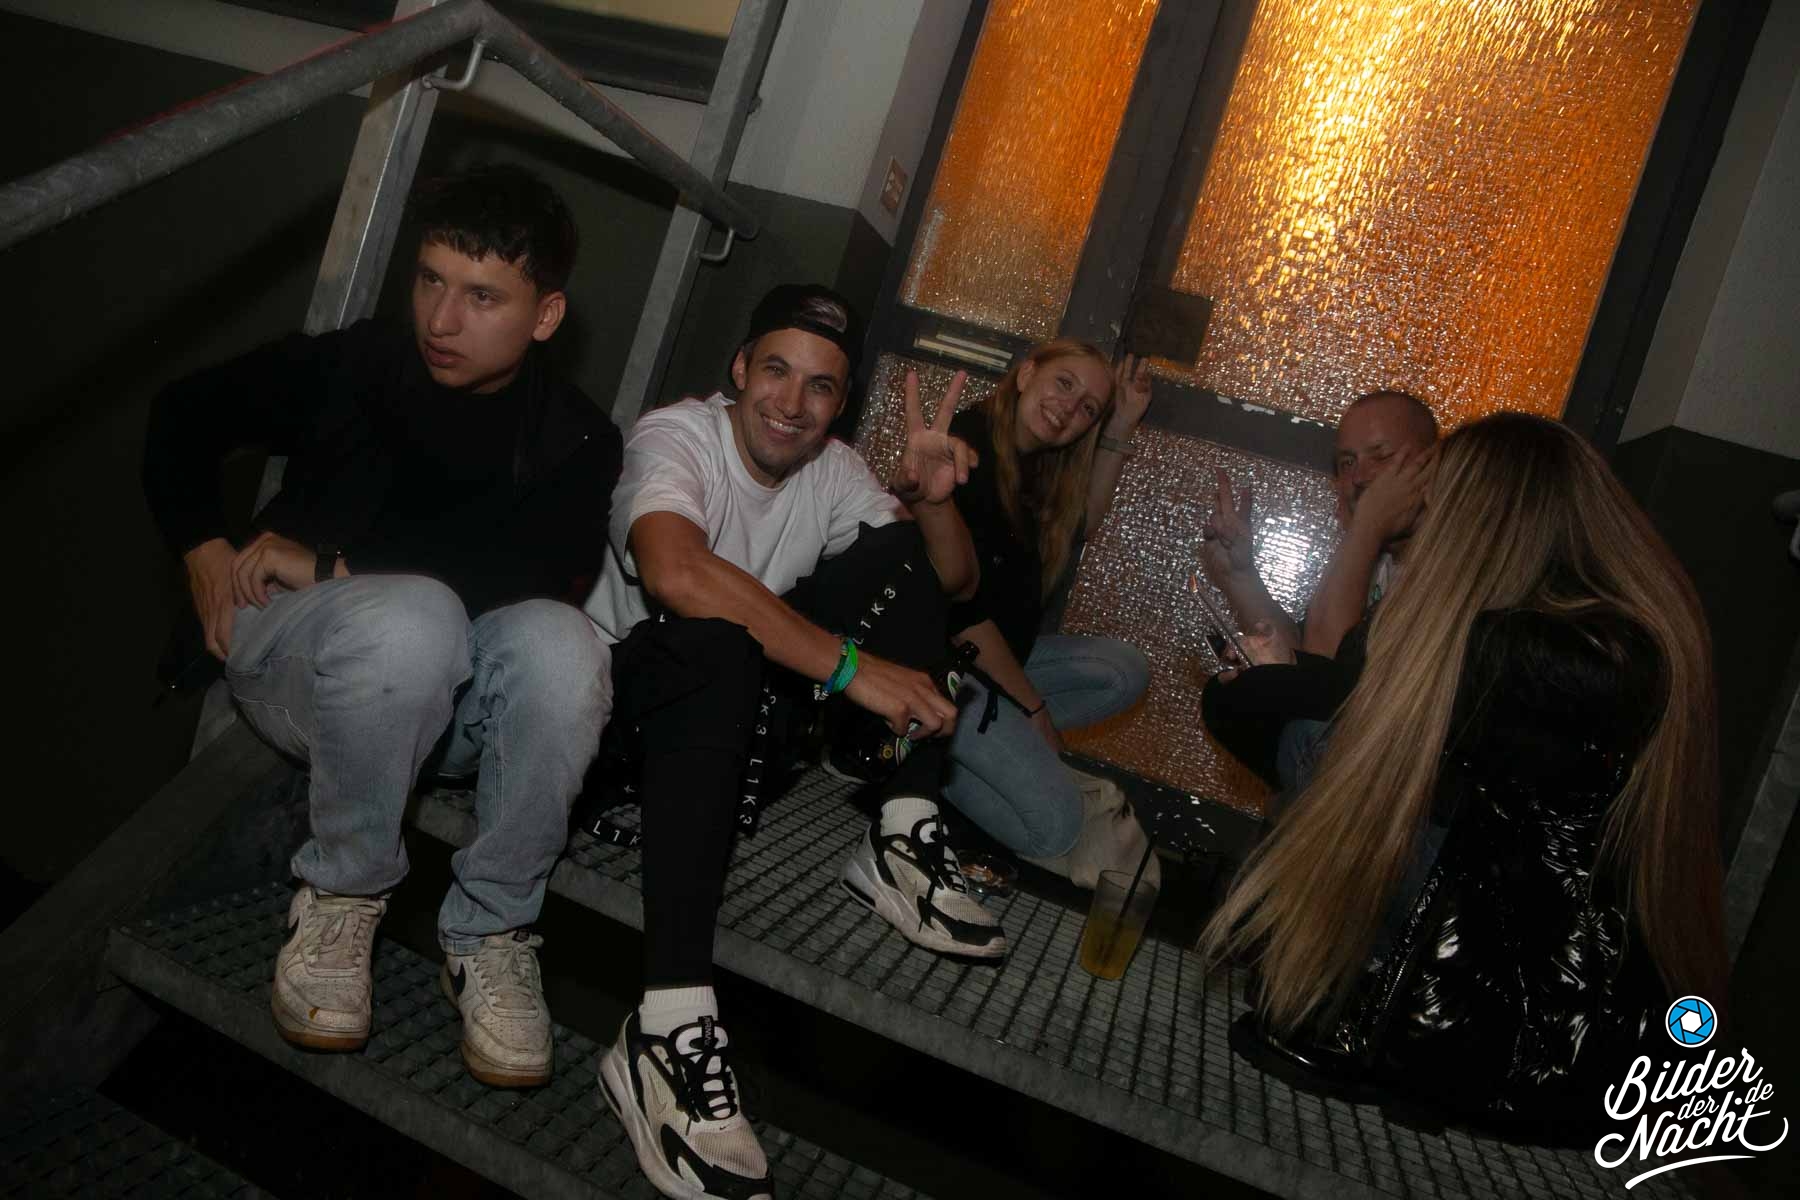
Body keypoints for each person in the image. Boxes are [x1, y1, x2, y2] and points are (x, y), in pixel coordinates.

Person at [142, 166, 621, 1089]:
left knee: (565, 644)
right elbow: (182, 412)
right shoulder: (360, 364)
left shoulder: (578, 438)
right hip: (300, 656)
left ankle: (492, 933)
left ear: (546, 316)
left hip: (443, 697)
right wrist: (202, 546)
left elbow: (529, 581)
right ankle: (342, 892)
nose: (441, 318)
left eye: (482, 296)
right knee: (414, 617)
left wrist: (329, 565)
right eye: (430, 279)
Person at [1198, 413, 1728, 1140]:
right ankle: (1350, 982)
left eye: (1434, 496)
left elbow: (1334, 693)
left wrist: (1363, 534)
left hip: (1529, 1026)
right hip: (1564, 1006)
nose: (1424, 513)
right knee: (1330, 743)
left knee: (1328, 750)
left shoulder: (1527, 650)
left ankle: (1355, 993)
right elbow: (1340, 681)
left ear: (1484, 516)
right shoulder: (1604, 632)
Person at [583, 283, 992, 1200]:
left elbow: (949, 584)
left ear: (839, 405)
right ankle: (665, 1027)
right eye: (776, 370)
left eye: (820, 386)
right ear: (739, 368)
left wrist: (931, 504)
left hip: (739, 719)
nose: (791, 403)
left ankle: (902, 828)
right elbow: (675, 571)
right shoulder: (676, 436)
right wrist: (851, 670)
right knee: (719, 637)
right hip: (623, 715)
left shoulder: (834, 469)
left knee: (902, 557)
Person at [933, 338, 1155, 881]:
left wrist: (1120, 426)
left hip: (1001, 665)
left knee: (1124, 670)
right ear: (1028, 372)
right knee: (1055, 830)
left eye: (1088, 409)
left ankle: (988, 748)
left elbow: (1081, 524)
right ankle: (920, 761)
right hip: (942, 668)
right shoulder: (969, 449)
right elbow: (962, 618)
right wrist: (1034, 715)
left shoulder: (1037, 462)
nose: (1069, 408)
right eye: (1064, 383)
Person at [1199, 390, 1438, 790]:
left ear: (1432, 464)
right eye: (1347, 463)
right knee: (1231, 695)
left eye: (1381, 456)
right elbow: (1311, 666)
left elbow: (1323, 681)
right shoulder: (1376, 560)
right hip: (1349, 770)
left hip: (1406, 779)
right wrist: (1240, 577)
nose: (1360, 478)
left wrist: (1366, 526)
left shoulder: (1449, 567)